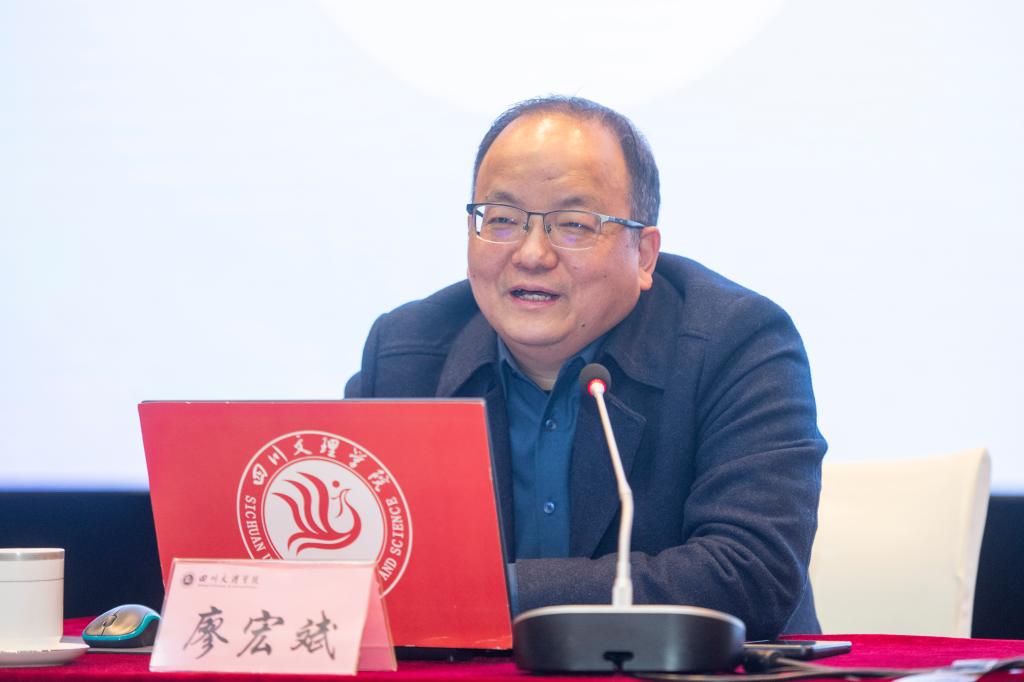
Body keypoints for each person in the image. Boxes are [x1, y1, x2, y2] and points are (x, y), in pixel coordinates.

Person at [345, 96, 826, 639]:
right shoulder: (405, 354)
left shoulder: (736, 341)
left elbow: (749, 573)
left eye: (573, 225)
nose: (531, 254)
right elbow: (348, 567)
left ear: (644, 255)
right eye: (501, 220)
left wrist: (485, 594)